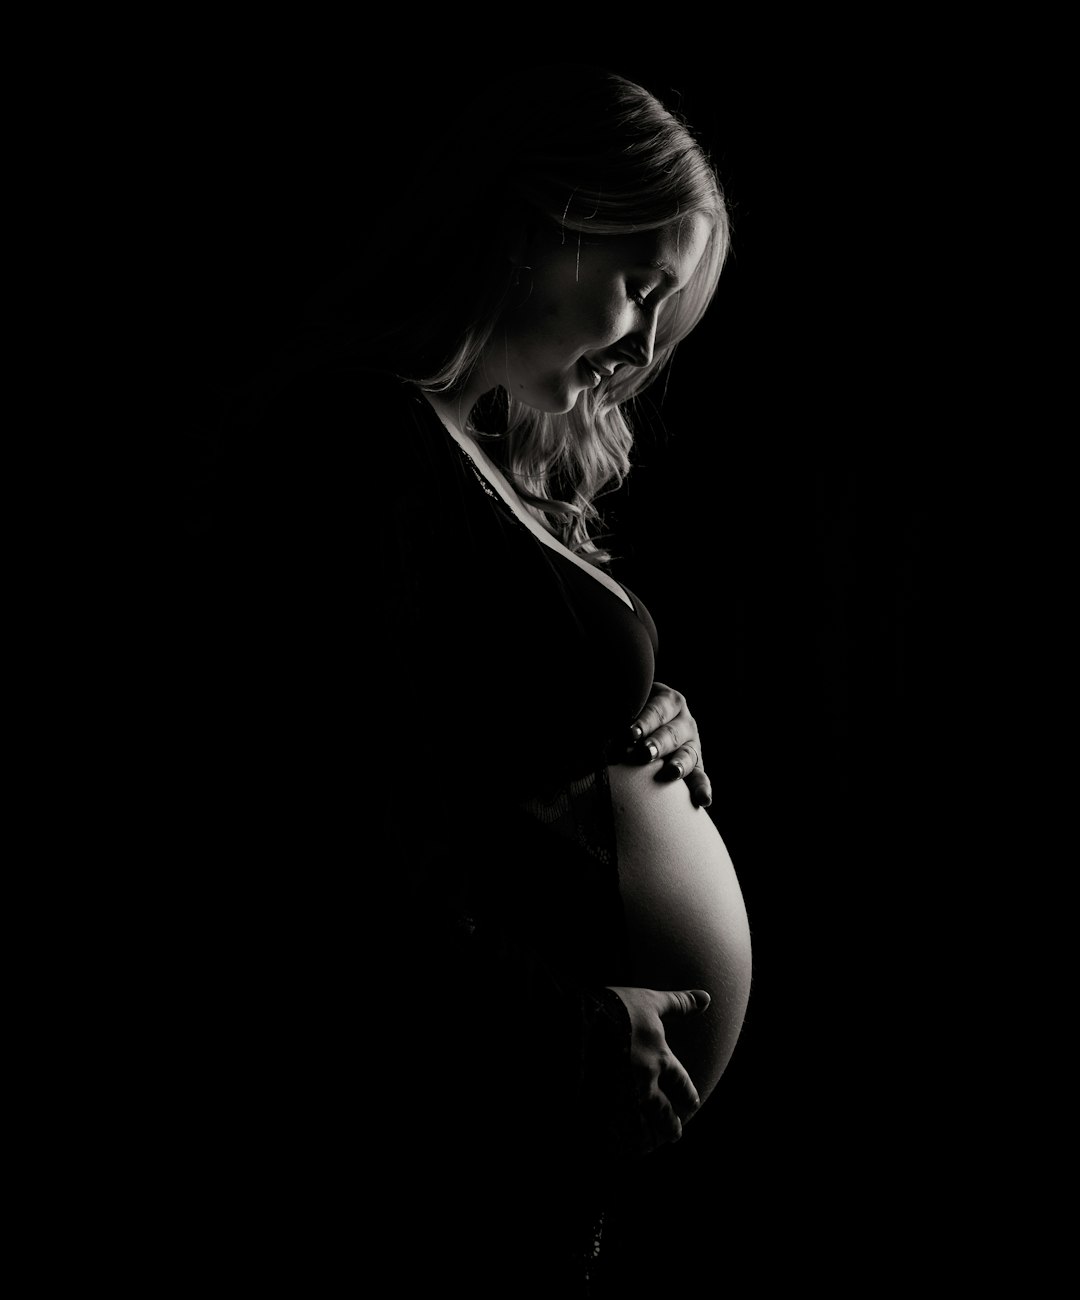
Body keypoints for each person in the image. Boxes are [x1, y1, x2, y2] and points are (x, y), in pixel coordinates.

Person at [168, 63, 751, 1296]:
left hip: (524, 1143)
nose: (643, 350)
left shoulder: (481, 460)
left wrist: (646, 722)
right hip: (427, 1143)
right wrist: (575, 1030)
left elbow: (493, 736)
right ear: (547, 214)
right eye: (640, 289)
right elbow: (324, 837)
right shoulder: (358, 448)